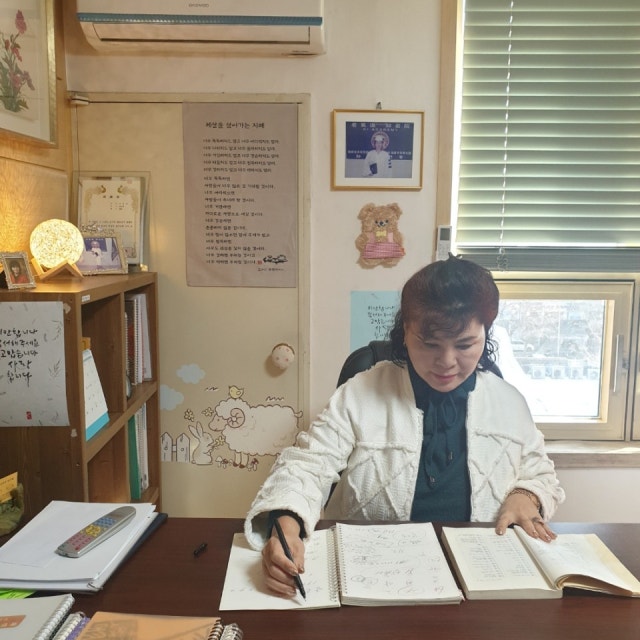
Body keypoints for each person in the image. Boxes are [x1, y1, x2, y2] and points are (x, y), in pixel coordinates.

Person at [245, 255, 565, 597]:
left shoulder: (509, 402)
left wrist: (525, 496)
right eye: (429, 344)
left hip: (481, 581)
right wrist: (286, 525)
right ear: (405, 333)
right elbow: (308, 464)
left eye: (465, 344)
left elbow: (540, 473)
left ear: (485, 334)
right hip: (371, 578)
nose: (446, 362)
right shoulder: (360, 392)